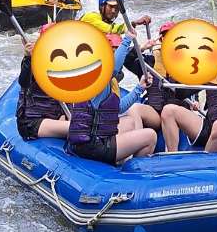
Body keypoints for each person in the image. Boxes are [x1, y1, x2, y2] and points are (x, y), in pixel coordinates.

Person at [66, 31, 157, 164]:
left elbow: (118, 108)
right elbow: (112, 68)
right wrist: (127, 39)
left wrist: (139, 88)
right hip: (93, 146)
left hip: (89, 142)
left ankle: (121, 160)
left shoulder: (103, 80)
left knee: (130, 122)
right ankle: (135, 171)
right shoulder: (98, 79)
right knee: (150, 136)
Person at [80, 0, 151, 75]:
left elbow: (119, 50)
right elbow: (110, 29)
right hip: (80, 62)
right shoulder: (91, 17)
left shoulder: (110, 26)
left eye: (117, 8)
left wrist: (141, 47)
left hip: (98, 64)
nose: (113, 11)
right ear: (102, 7)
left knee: (120, 73)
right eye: (110, 7)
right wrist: (135, 23)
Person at [16, 37, 69, 141]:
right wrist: (28, 57)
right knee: (81, 129)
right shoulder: (35, 64)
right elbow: (24, 82)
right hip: (33, 122)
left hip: (54, 118)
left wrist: (64, 116)